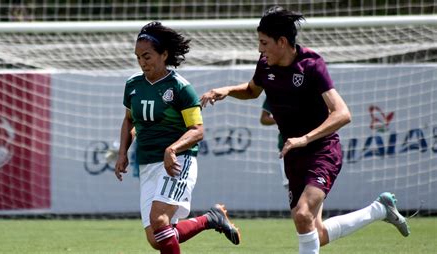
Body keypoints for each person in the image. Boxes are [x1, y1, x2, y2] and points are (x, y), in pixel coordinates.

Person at [200, 6, 410, 253]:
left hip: (322, 150)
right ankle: (380, 210)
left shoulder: (311, 64)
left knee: (302, 215)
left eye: (264, 43)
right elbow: (252, 90)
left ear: (282, 41)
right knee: (314, 232)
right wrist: (226, 90)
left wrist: (305, 138)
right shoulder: (265, 64)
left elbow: (342, 114)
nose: (260, 49)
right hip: (293, 155)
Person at [114, 21, 240, 254]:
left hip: (177, 162)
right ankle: (211, 219)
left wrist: (172, 149)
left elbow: (197, 130)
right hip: (148, 163)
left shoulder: (181, 88)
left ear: (164, 54)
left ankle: (211, 218)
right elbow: (130, 120)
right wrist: (122, 153)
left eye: (147, 56)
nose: (142, 62)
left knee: (160, 221)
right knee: (156, 238)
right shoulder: (133, 85)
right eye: (138, 57)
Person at [260, 98, 289, 189]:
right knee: (292, 187)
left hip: (310, 146)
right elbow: (264, 118)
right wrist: (281, 120)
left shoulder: (309, 88)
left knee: (312, 186)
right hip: (285, 147)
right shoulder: (273, 89)